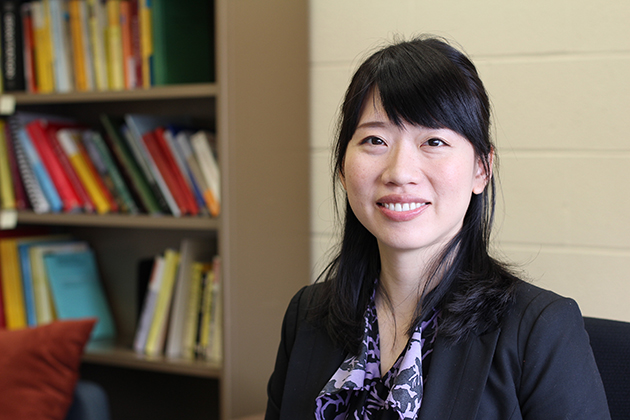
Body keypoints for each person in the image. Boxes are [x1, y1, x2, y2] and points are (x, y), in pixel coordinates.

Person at [265, 36, 610, 420]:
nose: (399, 173)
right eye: (375, 139)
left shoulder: (539, 329)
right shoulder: (306, 315)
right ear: (343, 169)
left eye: (433, 141)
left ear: (482, 168)